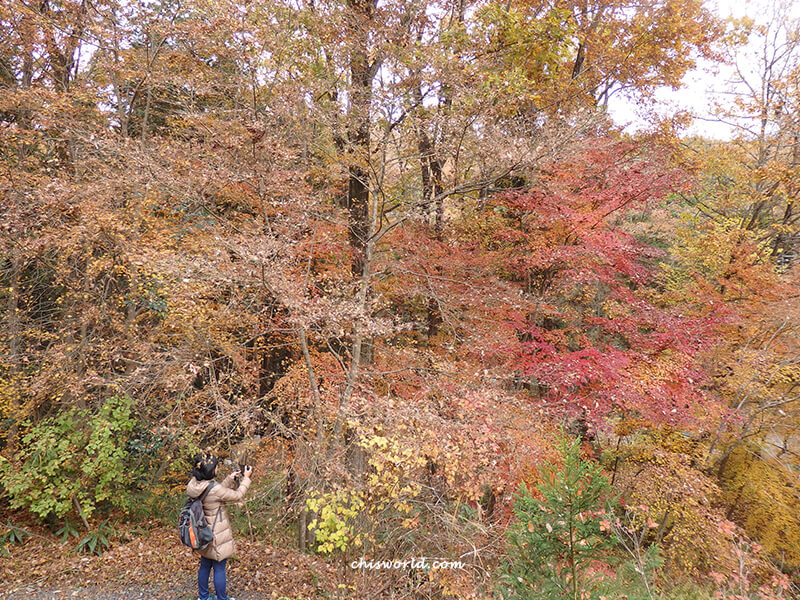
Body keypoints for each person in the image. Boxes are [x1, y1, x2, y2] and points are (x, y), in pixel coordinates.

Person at [187, 451, 253, 600]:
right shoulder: (214, 489)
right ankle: (222, 599)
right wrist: (246, 479)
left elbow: (212, 491)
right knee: (219, 567)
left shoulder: (194, 484)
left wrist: (229, 479)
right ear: (212, 470)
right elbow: (237, 496)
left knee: (205, 565)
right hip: (216, 535)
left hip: (202, 533)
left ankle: (203, 597)